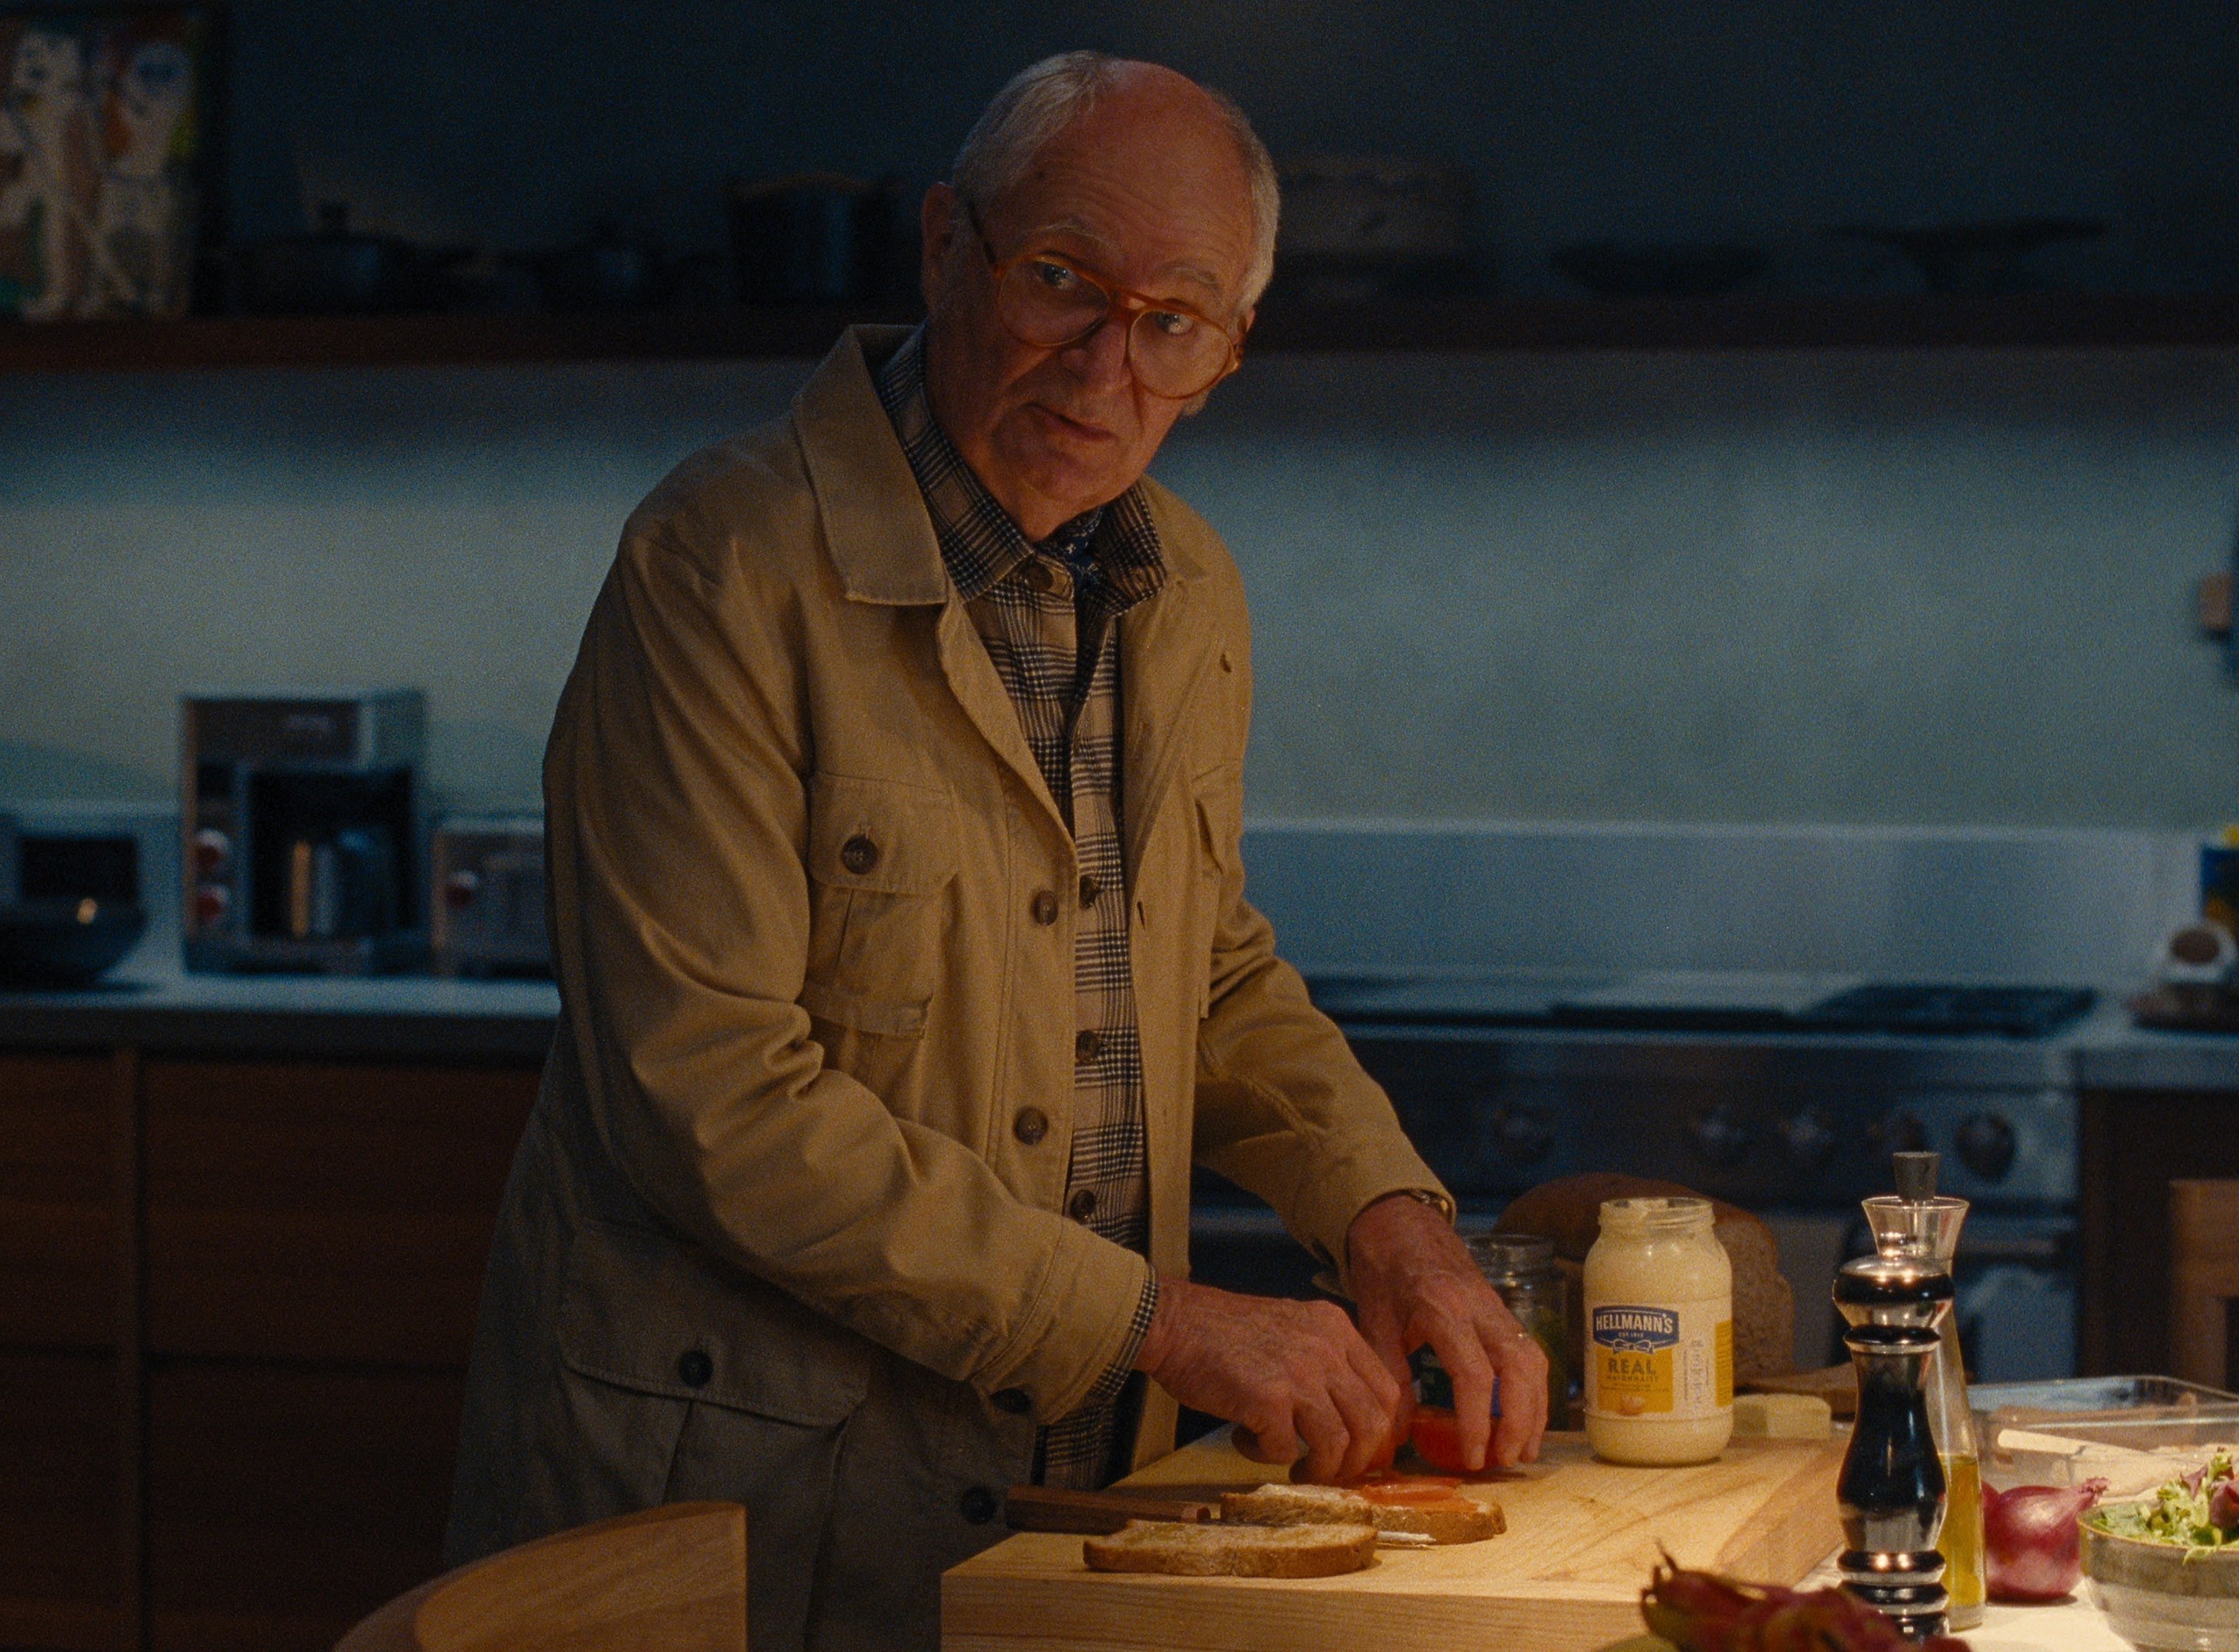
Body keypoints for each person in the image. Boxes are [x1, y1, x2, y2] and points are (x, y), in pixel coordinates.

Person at [445, 51, 1547, 1652]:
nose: (1105, 367)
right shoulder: (721, 566)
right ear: (945, 246)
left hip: (1065, 1492)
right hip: (738, 1504)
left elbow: (1206, 967)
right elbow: (714, 1100)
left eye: (1173, 321)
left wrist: (1391, 1219)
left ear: (1228, 354)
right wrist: (1164, 1325)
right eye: (1060, 282)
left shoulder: (1187, 588)